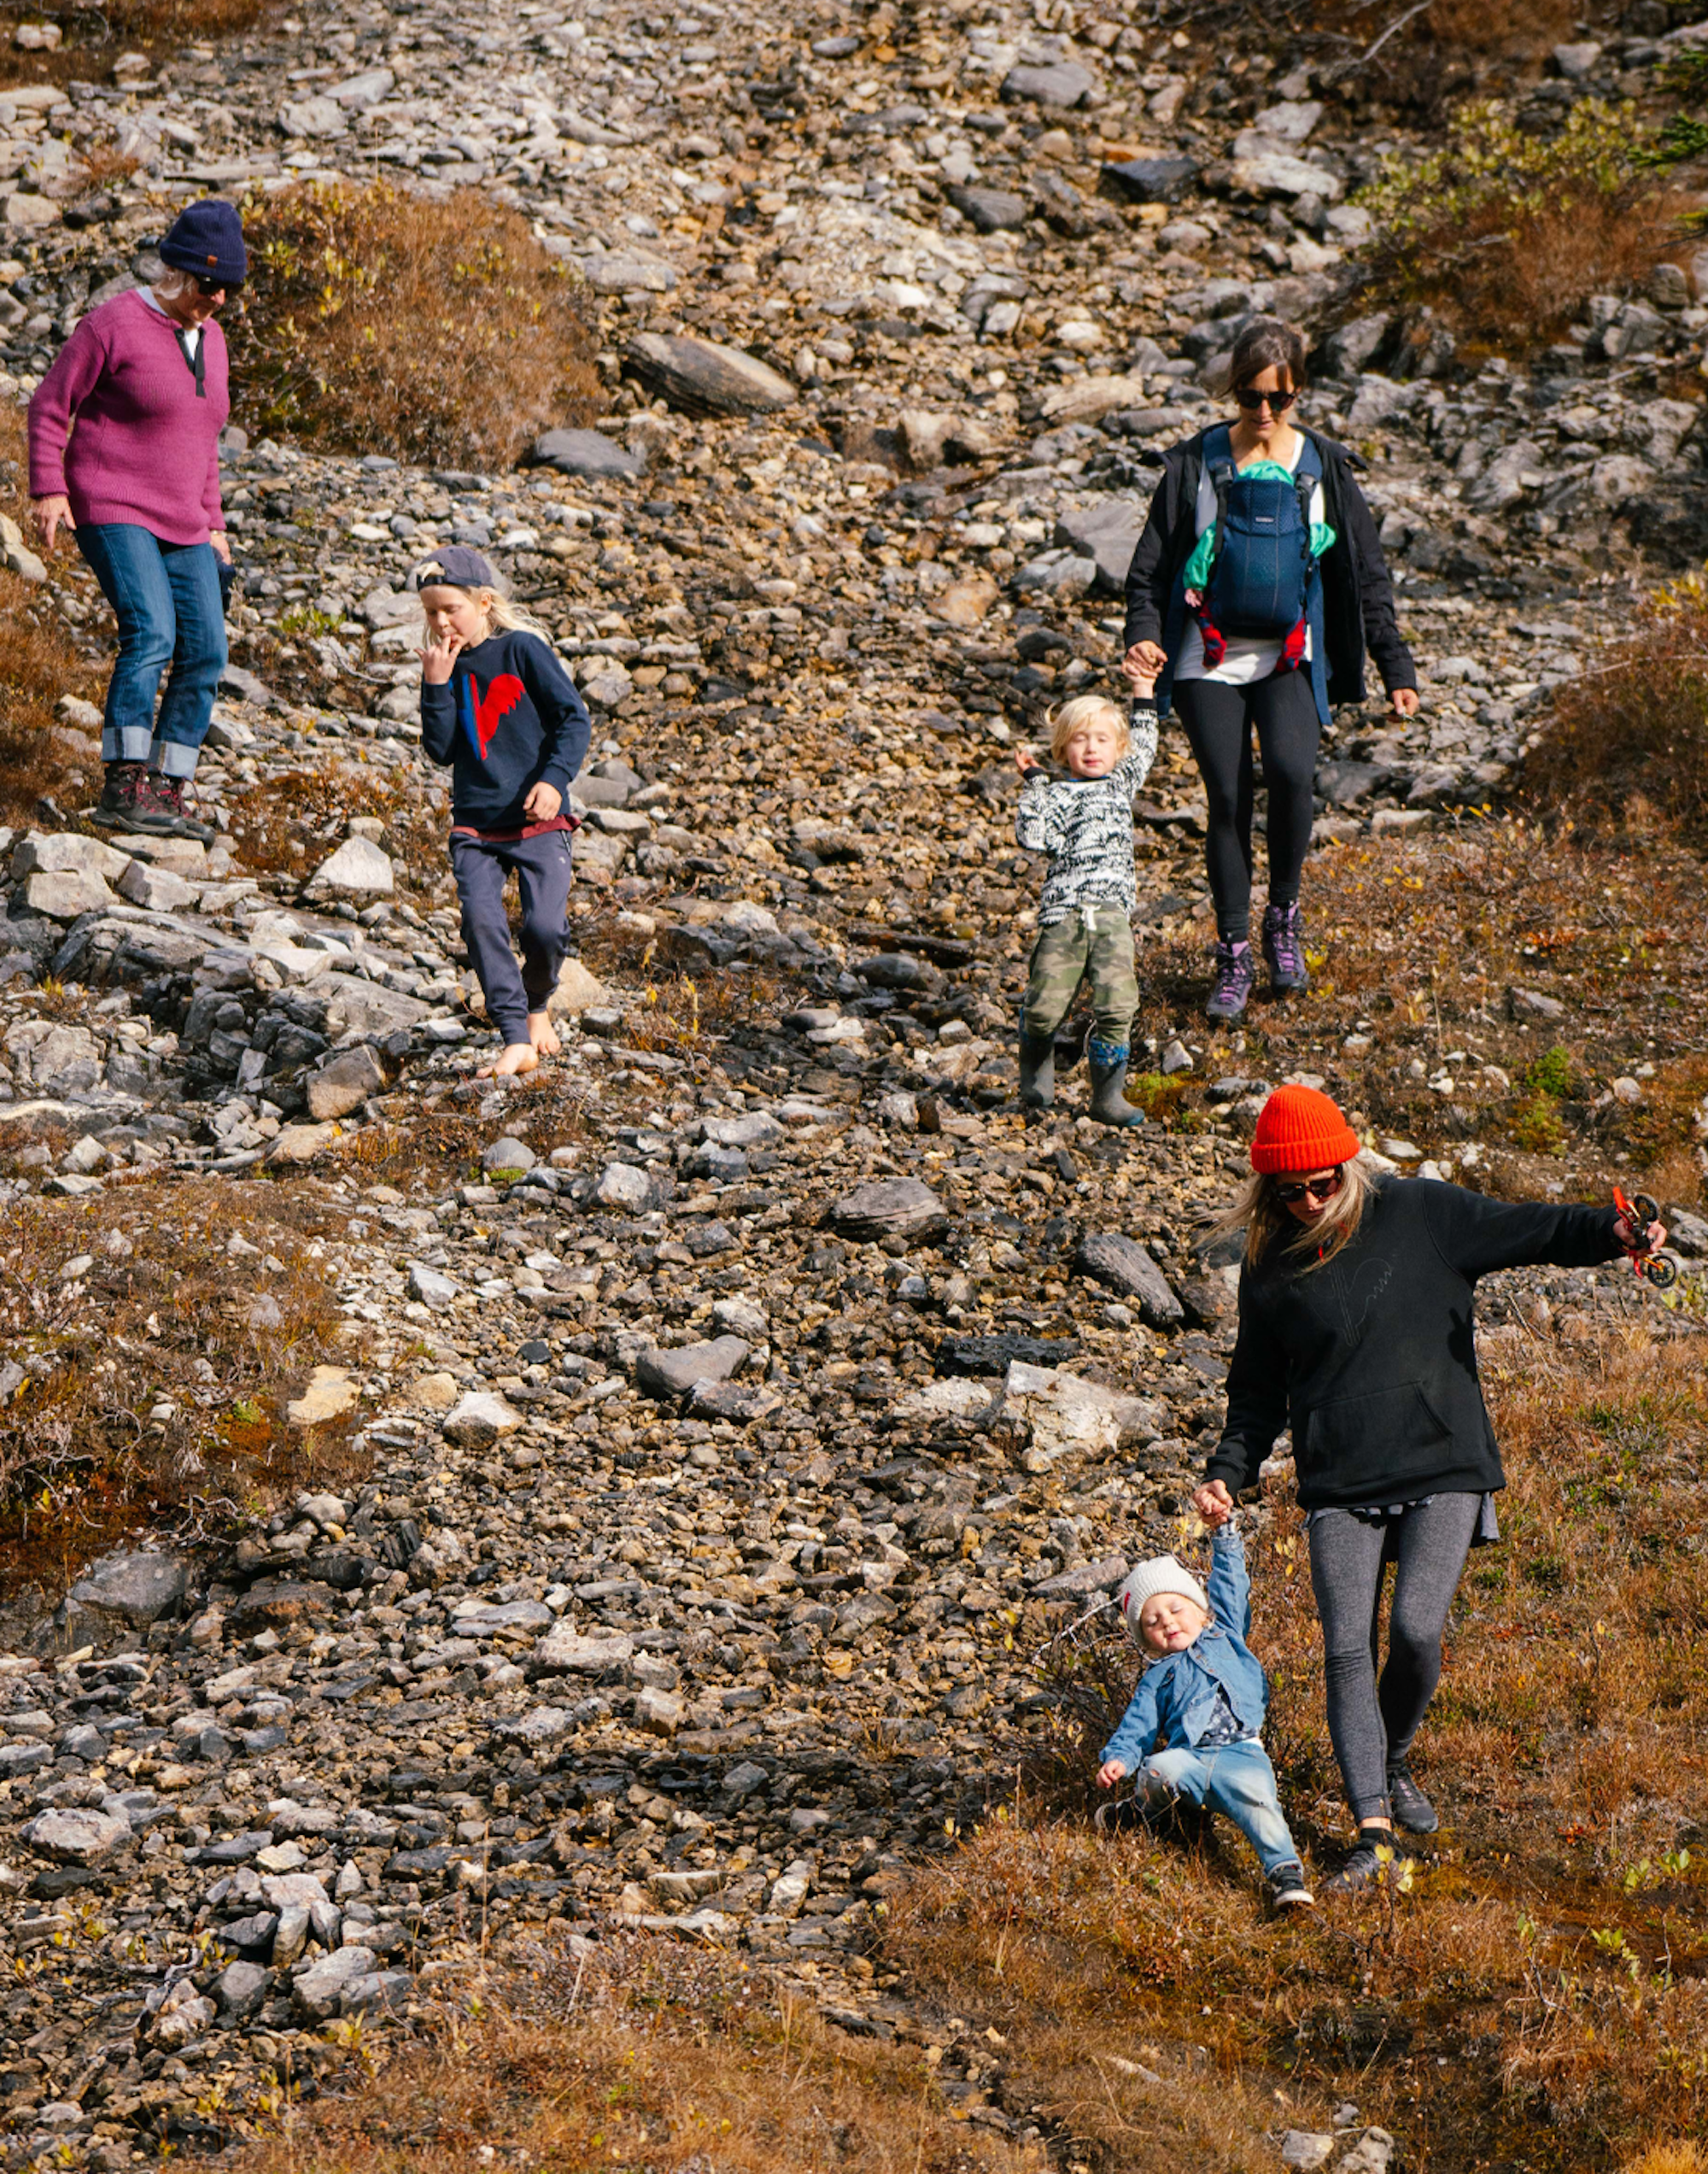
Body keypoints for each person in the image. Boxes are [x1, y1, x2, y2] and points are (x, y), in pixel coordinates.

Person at [1192, 1083, 1664, 1892]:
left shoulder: (1421, 1211)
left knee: (1414, 1629)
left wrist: (1610, 1229)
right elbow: (1255, 1393)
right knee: (1345, 1647)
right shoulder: (1269, 1267)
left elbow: (1532, 1227)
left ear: (1349, 1163)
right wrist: (1227, 1472)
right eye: (1290, 1189)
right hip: (1338, 1480)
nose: (1309, 1200)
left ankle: (1396, 1751)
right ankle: (1371, 1833)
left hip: (1444, 1462)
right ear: (1267, 1187)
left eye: (1323, 1182)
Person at [1122, 317, 1420, 1024]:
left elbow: (1366, 574)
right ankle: (1232, 952)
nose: (1262, 414)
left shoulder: (1324, 468)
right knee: (1226, 796)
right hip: (1206, 656)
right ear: (1233, 389)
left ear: (1299, 396)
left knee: (1291, 773)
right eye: (1250, 397)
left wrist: (1395, 664)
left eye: (1278, 401)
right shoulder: (1192, 465)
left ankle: (1282, 918)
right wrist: (1143, 637)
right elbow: (1149, 572)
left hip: (1291, 654)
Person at [28, 198, 246, 842]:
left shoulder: (213, 337)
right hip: (112, 502)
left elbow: (202, 439)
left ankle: (166, 788)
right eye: (209, 285)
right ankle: (121, 786)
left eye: (229, 288)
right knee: (151, 631)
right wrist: (48, 488)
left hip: (186, 519)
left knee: (207, 648)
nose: (219, 299)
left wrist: (215, 523)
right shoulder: (113, 324)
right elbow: (48, 407)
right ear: (175, 273)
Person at [418, 547, 592, 1081]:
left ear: (484, 602)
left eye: (451, 608)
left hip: (538, 818)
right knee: (482, 923)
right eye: (431, 612)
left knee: (544, 930)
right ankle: (516, 1036)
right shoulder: (441, 667)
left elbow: (574, 720)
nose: (442, 622)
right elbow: (442, 750)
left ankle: (538, 1002)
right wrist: (435, 686)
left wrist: (554, 780)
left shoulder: (522, 649)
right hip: (475, 825)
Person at [1096, 1526, 1313, 1912]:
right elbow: (1138, 1728)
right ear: (1145, 1641)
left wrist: (1225, 1535)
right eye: (1152, 1622)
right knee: (1159, 1767)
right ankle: (1141, 1812)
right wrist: (1119, 1760)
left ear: (1201, 1611)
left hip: (1242, 1754)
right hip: (1190, 1758)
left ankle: (1285, 1875)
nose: (1166, 1622)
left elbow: (1231, 1584)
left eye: (1176, 1609)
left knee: (1261, 1804)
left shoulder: (1227, 1634)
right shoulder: (1156, 1678)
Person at [1014, 689, 1158, 1127]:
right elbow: (1033, 837)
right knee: (1044, 1008)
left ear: (1118, 749)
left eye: (1100, 739)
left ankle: (1107, 1096)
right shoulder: (1055, 794)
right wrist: (1036, 783)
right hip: (1064, 915)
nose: (1091, 748)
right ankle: (1035, 1078)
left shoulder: (1121, 784)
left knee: (1118, 1005)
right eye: (1079, 739)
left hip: (1112, 915)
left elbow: (1147, 740)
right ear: (1062, 749)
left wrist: (1144, 691)